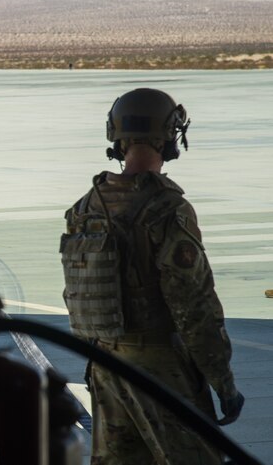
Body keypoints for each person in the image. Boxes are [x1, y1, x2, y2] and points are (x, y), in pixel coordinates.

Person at [59, 88, 244, 464]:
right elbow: (194, 304)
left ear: (116, 135)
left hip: (105, 365)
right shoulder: (168, 209)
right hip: (159, 367)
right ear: (169, 135)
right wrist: (222, 380)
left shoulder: (84, 207)